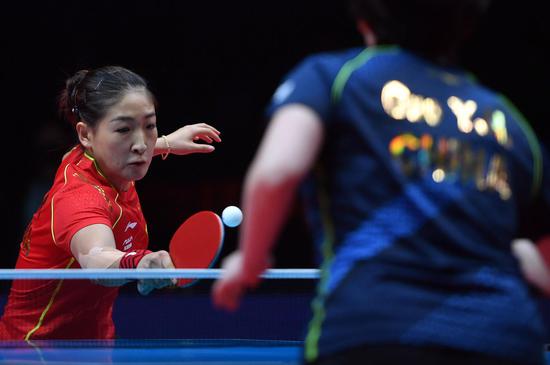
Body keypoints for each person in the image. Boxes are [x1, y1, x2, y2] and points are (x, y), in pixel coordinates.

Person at [211, 0, 550, 364]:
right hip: (504, 340)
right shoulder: (506, 120)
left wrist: (250, 260)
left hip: (374, 332)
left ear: (364, 19)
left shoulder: (334, 77)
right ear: (467, 25)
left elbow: (277, 172)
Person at [0, 65, 221, 340]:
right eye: (124, 129)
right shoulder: (80, 198)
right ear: (86, 135)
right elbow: (95, 258)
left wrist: (165, 142)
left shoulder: (99, 161)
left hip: (93, 345)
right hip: (36, 350)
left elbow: (134, 146)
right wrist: (140, 262)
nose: (141, 144)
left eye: (149, 125)